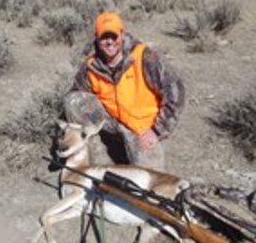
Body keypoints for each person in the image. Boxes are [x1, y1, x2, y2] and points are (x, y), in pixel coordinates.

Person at [63, 12, 185, 171]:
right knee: (73, 101)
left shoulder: (144, 56)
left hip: (141, 128)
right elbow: (77, 95)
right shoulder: (91, 66)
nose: (109, 42)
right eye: (104, 37)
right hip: (111, 122)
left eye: (114, 36)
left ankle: (134, 150)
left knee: (149, 179)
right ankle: (95, 150)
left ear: (122, 34)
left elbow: (176, 91)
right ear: (96, 39)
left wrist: (156, 130)